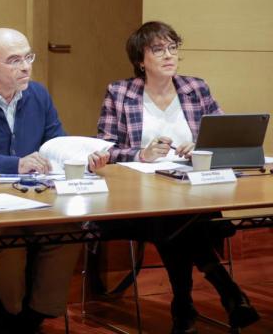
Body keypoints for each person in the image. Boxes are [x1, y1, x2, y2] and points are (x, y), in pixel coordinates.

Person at [97, 21, 258, 332]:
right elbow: (103, 149)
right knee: (174, 221)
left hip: (193, 190)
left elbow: (223, 139)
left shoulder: (195, 88)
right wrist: (141, 154)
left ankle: (183, 307)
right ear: (140, 60)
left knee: (179, 221)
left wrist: (200, 148)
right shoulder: (120, 93)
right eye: (158, 50)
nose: (169, 55)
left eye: (173, 48)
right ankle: (226, 291)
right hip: (138, 197)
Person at [0, 28, 93, 332]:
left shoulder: (38, 94)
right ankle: (11, 314)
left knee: (70, 228)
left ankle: (34, 315)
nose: (25, 66)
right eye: (14, 60)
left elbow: (55, 143)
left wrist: (82, 157)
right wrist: (17, 164)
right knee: (10, 237)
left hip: (34, 197)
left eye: (28, 57)